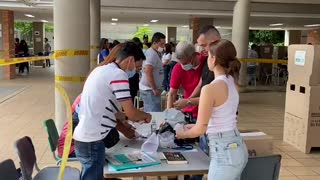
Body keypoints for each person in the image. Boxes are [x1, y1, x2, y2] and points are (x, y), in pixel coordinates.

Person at [73, 42, 152, 180]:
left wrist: (123, 124)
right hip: (92, 141)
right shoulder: (118, 74)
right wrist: (147, 116)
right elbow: (131, 113)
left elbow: (105, 109)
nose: (136, 72)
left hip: (85, 138)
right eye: (138, 68)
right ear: (131, 60)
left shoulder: (101, 70)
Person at [176, 39, 248, 180]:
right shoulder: (232, 82)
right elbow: (221, 118)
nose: (207, 59)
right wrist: (192, 126)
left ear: (214, 59)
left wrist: (181, 133)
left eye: (208, 55)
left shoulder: (210, 89)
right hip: (236, 146)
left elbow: (200, 130)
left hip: (224, 153)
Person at [174, 25, 221, 111]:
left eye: (204, 45)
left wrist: (188, 102)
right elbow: (200, 84)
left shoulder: (223, 65)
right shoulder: (208, 60)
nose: (202, 49)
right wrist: (188, 100)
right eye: (200, 46)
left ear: (215, 42)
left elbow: (215, 98)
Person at [167, 42, 206, 118]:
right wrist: (169, 114)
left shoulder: (207, 64)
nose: (183, 66)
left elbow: (200, 87)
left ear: (194, 55)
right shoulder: (178, 68)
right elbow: (172, 94)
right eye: (181, 63)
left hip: (206, 111)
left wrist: (188, 101)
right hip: (189, 111)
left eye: (185, 63)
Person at [139, 32, 166, 112]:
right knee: (153, 113)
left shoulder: (156, 53)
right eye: (161, 44)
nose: (163, 46)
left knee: (153, 111)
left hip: (151, 89)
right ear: (154, 43)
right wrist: (154, 88)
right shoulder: (151, 54)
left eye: (164, 44)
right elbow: (148, 71)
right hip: (149, 90)